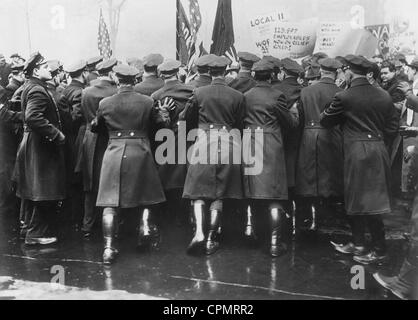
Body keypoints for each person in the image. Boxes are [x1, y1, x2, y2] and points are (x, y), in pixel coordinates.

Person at [321, 55, 399, 265]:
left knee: (354, 197)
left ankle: (362, 246)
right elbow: (392, 128)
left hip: (355, 151)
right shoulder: (384, 96)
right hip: (378, 148)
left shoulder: (345, 96)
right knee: (375, 200)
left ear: (349, 72)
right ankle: (375, 247)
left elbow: (326, 120)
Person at [91, 64, 166, 264]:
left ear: (117, 79)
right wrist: (164, 115)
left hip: (114, 152)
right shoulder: (147, 101)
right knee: (146, 196)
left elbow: (96, 127)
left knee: (110, 202)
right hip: (140, 150)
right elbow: (159, 124)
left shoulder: (105, 103)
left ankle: (108, 248)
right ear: (135, 80)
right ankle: (145, 228)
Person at [180, 55, 246, 256]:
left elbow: (185, 118)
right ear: (225, 72)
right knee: (221, 191)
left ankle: (199, 232)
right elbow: (240, 124)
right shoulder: (238, 95)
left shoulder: (198, 92)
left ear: (209, 72)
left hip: (203, 142)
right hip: (229, 142)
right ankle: (211, 237)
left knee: (198, 191)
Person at [243, 58, 298, 257]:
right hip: (271, 145)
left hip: (250, 143)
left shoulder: (246, 95)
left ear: (254, 75)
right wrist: (294, 114)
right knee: (274, 193)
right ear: (273, 75)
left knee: (253, 191)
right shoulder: (278, 96)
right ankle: (275, 243)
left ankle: (253, 234)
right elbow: (289, 124)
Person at [15, 52, 67, 245]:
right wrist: (56, 134)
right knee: (43, 189)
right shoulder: (37, 89)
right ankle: (37, 235)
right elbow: (33, 117)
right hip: (40, 146)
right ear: (36, 70)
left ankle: (28, 229)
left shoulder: (31, 86)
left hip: (33, 143)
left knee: (33, 188)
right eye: (45, 67)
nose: (50, 70)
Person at [295, 58, 344, 233]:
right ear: (336, 72)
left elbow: (299, 118)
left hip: (309, 135)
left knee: (309, 177)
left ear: (321, 71)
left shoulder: (306, 91)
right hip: (332, 135)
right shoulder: (340, 91)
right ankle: (327, 216)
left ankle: (313, 217)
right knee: (330, 176)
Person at [151, 60, 194, 235]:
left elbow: (154, 124)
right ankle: (187, 219)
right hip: (191, 139)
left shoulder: (156, 95)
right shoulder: (192, 91)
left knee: (167, 179)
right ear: (178, 72)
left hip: (166, 141)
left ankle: (170, 220)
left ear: (161, 75)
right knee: (188, 179)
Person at [77, 58, 118, 238]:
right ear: (111, 72)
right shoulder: (114, 92)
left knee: (89, 184)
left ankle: (87, 225)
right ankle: (111, 226)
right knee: (109, 183)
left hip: (89, 139)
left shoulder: (86, 91)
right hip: (109, 139)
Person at [57, 60, 89, 228]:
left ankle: (72, 219)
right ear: (83, 73)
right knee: (79, 182)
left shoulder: (66, 90)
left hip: (68, 141)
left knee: (72, 181)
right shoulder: (79, 92)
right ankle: (77, 219)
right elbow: (75, 119)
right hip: (76, 140)